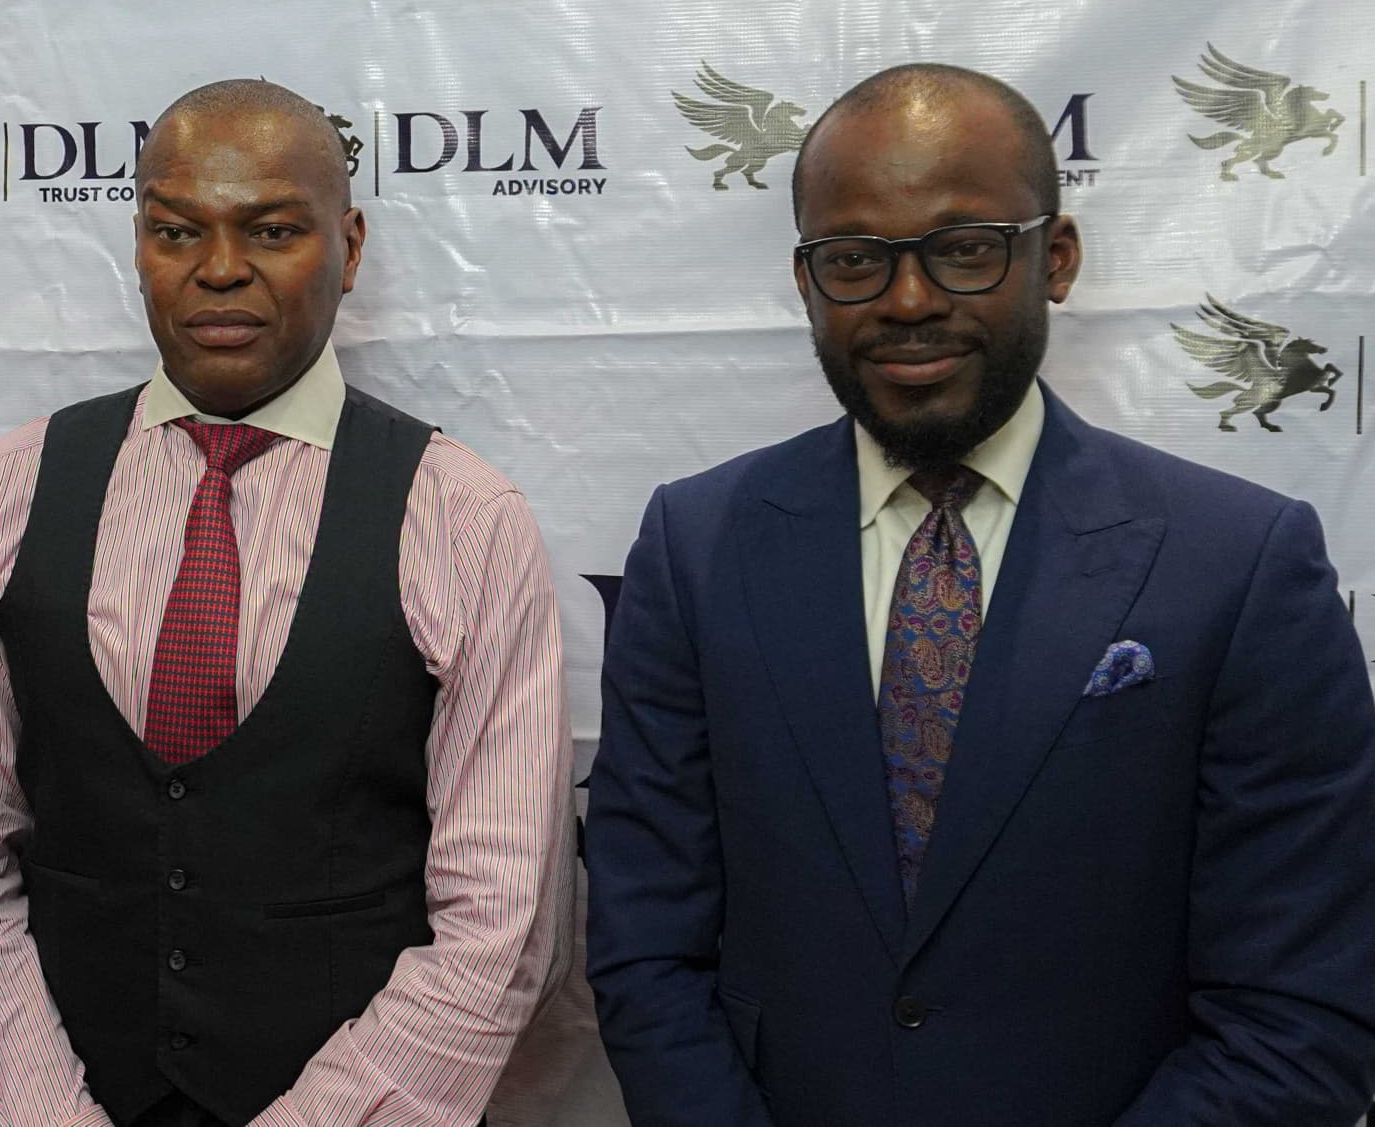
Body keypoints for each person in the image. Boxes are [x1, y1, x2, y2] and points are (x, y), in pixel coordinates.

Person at [585, 64, 1375, 1127]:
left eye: (964, 248)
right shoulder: (696, 546)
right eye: (855, 258)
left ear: (1056, 257)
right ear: (807, 282)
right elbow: (645, 945)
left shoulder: (1238, 563)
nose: (908, 301)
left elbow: (1298, 1011)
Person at [0, 78, 573, 1127]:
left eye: (272, 229)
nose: (218, 268)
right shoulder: (10, 492)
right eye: (176, 230)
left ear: (348, 246)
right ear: (138, 245)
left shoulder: (461, 517)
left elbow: (501, 925)